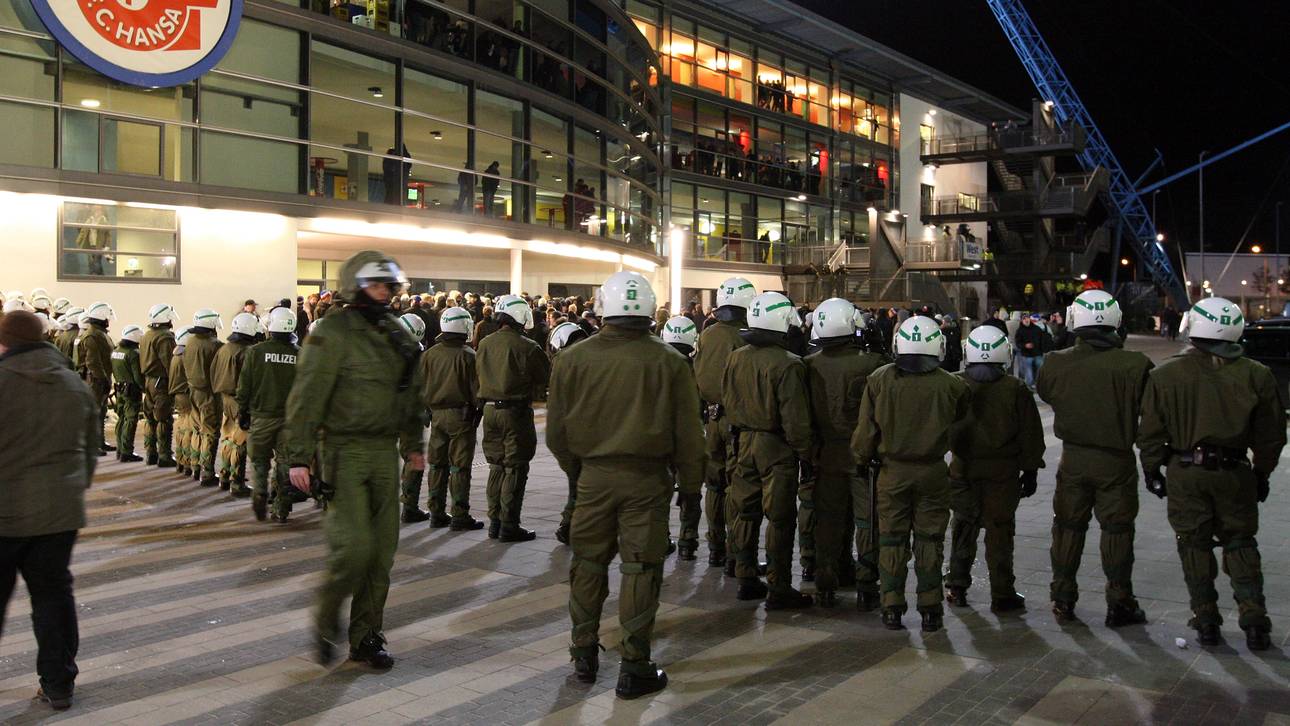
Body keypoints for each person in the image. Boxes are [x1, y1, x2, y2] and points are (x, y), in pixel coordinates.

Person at [547, 271, 705, 699]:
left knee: (588, 563)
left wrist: (578, 473)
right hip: (647, 480)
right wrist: (691, 486)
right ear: (650, 309)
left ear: (603, 308)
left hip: (593, 478)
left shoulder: (572, 359)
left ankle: (583, 652)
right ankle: (635, 666)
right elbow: (689, 435)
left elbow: (557, 434)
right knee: (640, 568)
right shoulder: (670, 362)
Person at [286, 250, 424, 670]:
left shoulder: (397, 334)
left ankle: (366, 638)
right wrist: (298, 457)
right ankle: (327, 616)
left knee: (382, 555)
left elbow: (409, 395)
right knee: (354, 550)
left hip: (383, 453)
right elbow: (307, 396)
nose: (383, 292)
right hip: (342, 452)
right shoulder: (332, 332)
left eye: (387, 285)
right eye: (374, 284)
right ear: (355, 286)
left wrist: (413, 445)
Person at [1138, 298, 1286, 650]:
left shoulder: (1165, 375)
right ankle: (1254, 621)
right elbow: (1271, 435)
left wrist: (1152, 469)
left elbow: (1151, 432)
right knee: (1240, 543)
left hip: (1186, 472)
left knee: (1194, 545)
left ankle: (1206, 621)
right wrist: (1262, 473)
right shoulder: (1256, 374)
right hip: (1235, 473)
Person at [0, 310, 99, 712]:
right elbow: (90, 450)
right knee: (53, 597)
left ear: (5, 341)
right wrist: (70, 490)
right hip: (59, 514)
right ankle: (58, 685)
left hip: (4, 513)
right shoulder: (73, 384)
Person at [1037, 290, 1153, 627]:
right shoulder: (1136, 365)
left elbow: (1046, 392)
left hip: (1073, 459)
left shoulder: (1055, 362)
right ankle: (1120, 602)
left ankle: (1062, 598)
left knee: (1067, 528)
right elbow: (1150, 411)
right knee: (1117, 531)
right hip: (1116, 460)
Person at [852, 315, 970, 632]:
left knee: (891, 539)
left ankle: (891, 607)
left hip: (891, 473)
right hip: (933, 471)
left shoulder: (879, 380)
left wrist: (861, 459)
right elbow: (960, 419)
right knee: (930, 539)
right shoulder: (951, 385)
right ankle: (931, 609)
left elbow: (866, 431)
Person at [723, 291, 815, 609]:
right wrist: (806, 454)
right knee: (779, 518)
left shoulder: (736, 357)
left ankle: (746, 577)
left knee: (745, 511)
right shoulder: (789, 364)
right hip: (775, 448)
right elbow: (795, 419)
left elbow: (727, 399)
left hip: (743, 442)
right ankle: (779, 586)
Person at [945, 325, 1045, 613]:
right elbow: (1030, 434)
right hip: (1002, 474)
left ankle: (956, 586)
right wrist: (1031, 471)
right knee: (1000, 533)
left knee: (963, 527)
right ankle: (1002, 593)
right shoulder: (1015, 388)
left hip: (963, 470)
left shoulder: (954, 383)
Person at [803, 298, 887, 609]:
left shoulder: (808, 365)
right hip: (862, 455)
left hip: (825, 454)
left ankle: (825, 583)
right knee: (866, 520)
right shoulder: (872, 364)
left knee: (828, 520)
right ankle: (866, 584)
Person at [693, 277, 756, 570]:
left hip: (711, 419)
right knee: (736, 487)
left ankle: (715, 548)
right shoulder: (744, 338)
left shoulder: (707, 334)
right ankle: (735, 554)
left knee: (714, 485)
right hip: (735, 420)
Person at [476, 294, 550, 541]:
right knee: (515, 467)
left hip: (489, 411)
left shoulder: (485, 343)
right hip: (515, 412)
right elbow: (544, 377)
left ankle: (494, 522)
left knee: (496, 466)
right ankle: (509, 524)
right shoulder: (527, 346)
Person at [412, 306, 485, 531]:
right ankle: (460, 515)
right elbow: (477, 391)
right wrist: (478, 412)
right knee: (459, 467)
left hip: (436, 416)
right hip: (461, 416)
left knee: (437, 464)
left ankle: (436, 512)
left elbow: (420, 386)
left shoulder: (429, 354)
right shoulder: (469, 356)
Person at [236, 307, 301, 523]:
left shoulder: (255, 352)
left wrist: (242, 410)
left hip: (261, 416)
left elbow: (245, 385)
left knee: (260, 460)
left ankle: (260, 492)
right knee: (285, 462)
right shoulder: (300, 354)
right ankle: (281, 508)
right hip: (290, 420)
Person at [548, 321, 589, 544]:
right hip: (591, 434)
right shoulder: (591, 358)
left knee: (578, 482)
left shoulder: (563, 364)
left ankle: (570, 524)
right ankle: (571, 525)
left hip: (571, 434)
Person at [212, 312, 258, 497]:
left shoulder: (224, 348)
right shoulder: (247, 352)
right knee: (240, 441)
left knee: (228, 438)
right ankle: (237, 482)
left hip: (225, 399)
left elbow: (213, 373)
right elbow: (249, 380)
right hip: (240, 401)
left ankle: (224, 476)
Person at [395, 313, 432, 523]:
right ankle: (409, 506)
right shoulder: (418, 353)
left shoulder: (383, 350)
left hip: (382, 412)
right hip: (408, 414)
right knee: (413, 458)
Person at [184, 309, 225, 487]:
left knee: (197, 428)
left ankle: (195, 466)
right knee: (210, 431)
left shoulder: (190, 341)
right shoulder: (215, 345)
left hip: (193, 391)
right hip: (209, 393)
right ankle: (207, 472)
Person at [73, 302, 115, 456]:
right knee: (93, 413)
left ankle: (99, 442)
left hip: (100, 378)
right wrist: (102, 379)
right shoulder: (92, 335)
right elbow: (92, 361)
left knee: (101, 412)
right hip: (95, 380)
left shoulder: (99, 333)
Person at [140, 304, 178, 468]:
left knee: (150, 418)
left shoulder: (147, 335)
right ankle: (164, 455)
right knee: (164, 418)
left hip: (149, 380)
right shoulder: (165, 337)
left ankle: (151, 453)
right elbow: (170, 363)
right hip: (161, 382)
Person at [110, 324, 146, 463]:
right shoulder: (134, 354)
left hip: (119, 389)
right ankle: (127, 452)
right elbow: (138, 377)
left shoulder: (116, 351)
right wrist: (144, 388)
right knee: (130, 421)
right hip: (132, 391)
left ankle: (120, 449)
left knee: (121, 419)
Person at [169, 328, 194, 477]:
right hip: (185, 395)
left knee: (181, 428)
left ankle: (180, 460)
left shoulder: (176, 355)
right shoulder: (185, 356)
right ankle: (187, 462)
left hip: (178, 395)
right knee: (188, 430)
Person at [1013, 313, 1046, 389]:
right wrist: (1025, 345)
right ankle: (1029, 386)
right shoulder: (1019, 331)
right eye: (1024, 318)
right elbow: (1018, 343)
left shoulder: (1037, 329)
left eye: (1027, 318)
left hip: (1038, 353)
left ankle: (1038, 384)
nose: (1026, 320)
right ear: (1021, 320)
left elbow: (1042, 340)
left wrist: (1043, 349)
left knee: (1040, 370)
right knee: (1029, 372)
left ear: (1030, 319)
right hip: (1026, 355)